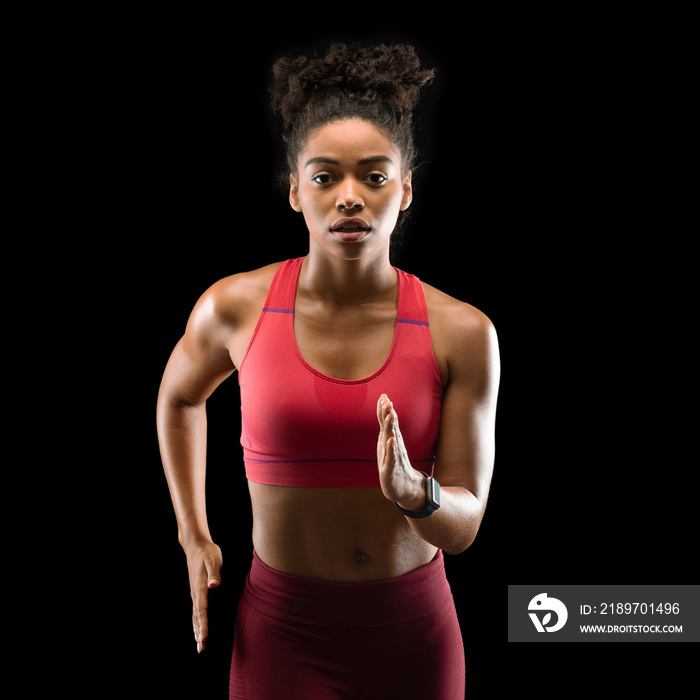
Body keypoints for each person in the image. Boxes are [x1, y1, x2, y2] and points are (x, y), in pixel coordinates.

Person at [157, 42, 500, 699]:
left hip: (414, 637)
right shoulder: (234, 308)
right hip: (284, 634)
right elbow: (178, 398)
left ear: (404, 188)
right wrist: (193, 535)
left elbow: (463, 526)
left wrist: (414, 494)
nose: (349, 197)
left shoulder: (463, 332)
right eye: (325, 177)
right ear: (294, 190)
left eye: (373, 177)